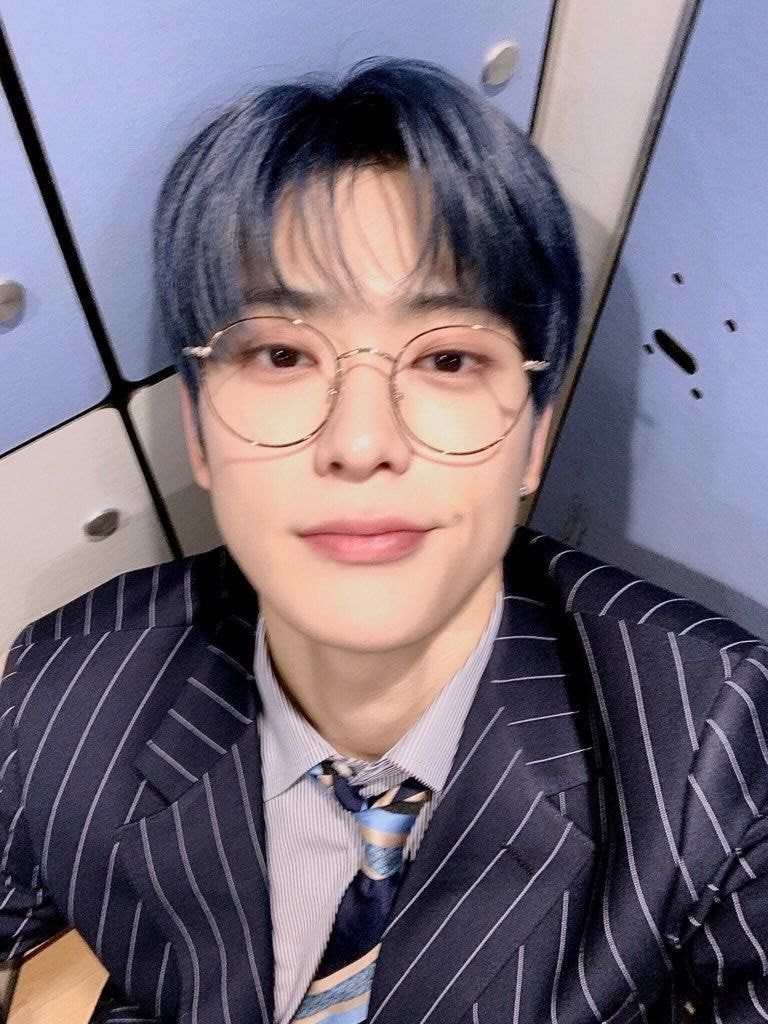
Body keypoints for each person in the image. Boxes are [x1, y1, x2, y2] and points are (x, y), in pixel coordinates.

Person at [1, 56, 767, 1024]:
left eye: (448, 358)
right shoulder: (64, 688)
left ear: (534, 436)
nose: (361, 442)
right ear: (196, 431)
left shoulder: (709, 735)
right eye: (281, 352)